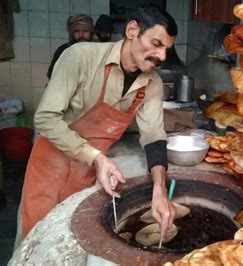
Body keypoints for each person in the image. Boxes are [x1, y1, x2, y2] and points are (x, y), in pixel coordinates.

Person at [17, 6, 177, 242]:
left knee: (74, 241)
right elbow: (45, 118)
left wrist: (159, 190)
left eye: (166, 49)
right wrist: (96, 157)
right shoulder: (80, 57)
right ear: (132, 30)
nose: (162, 56)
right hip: (49, 167)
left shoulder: (152, 83)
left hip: (88, 171)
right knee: (36, 242)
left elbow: (153, 137)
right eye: (156, 43)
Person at [47, 14, 94, 78]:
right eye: (77, 31)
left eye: (85, 31)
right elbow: (51, 74)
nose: (81, 35)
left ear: (91, 32)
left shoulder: (97, 52)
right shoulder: (63, 51)